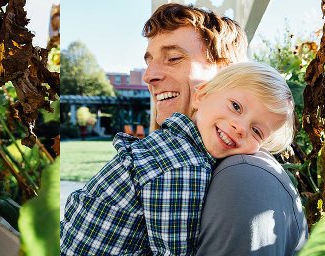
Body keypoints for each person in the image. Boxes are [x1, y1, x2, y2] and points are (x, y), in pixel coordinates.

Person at [61, 3, 307, 255]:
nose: (148, 76)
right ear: (202, 95)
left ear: (225, 72)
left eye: (174, 58)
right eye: (149, 60)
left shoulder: (239, 174)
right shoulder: (179, 161)